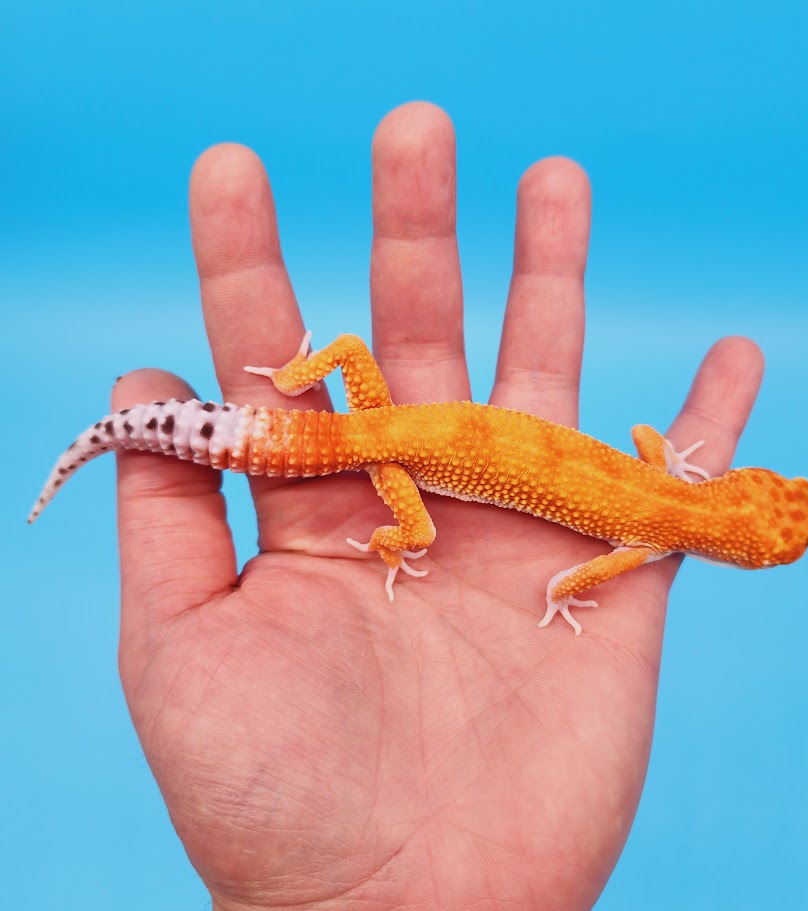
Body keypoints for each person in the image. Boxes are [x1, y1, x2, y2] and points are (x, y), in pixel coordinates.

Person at [113, 101, 763, 910]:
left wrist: (669, 463)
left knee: (349, 349)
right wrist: (548, 593)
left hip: (390, 427)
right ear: (733, 553)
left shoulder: (662, 494)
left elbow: (640, 433)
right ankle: (387, 542)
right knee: (415, 530)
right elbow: (562, 585)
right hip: (389, 450)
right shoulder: (647, 545)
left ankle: (285, 380)